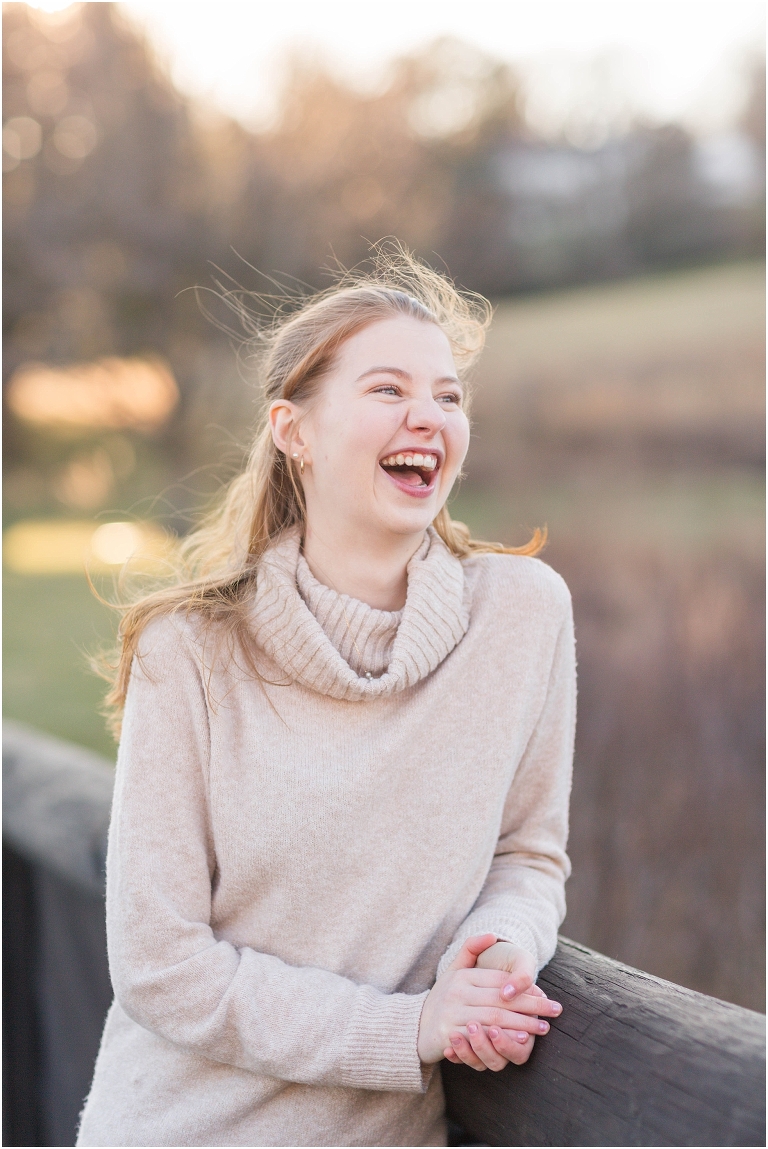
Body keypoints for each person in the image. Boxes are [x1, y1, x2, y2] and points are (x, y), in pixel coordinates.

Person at [77, 247, 576, 1148]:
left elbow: (528, 855)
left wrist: (504, 949)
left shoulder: (525, 615)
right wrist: (408, 1028)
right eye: (387, 390)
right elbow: (158, 964)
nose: (428, 414)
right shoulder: (187, 652)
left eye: (449, 395)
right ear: (292, 430)